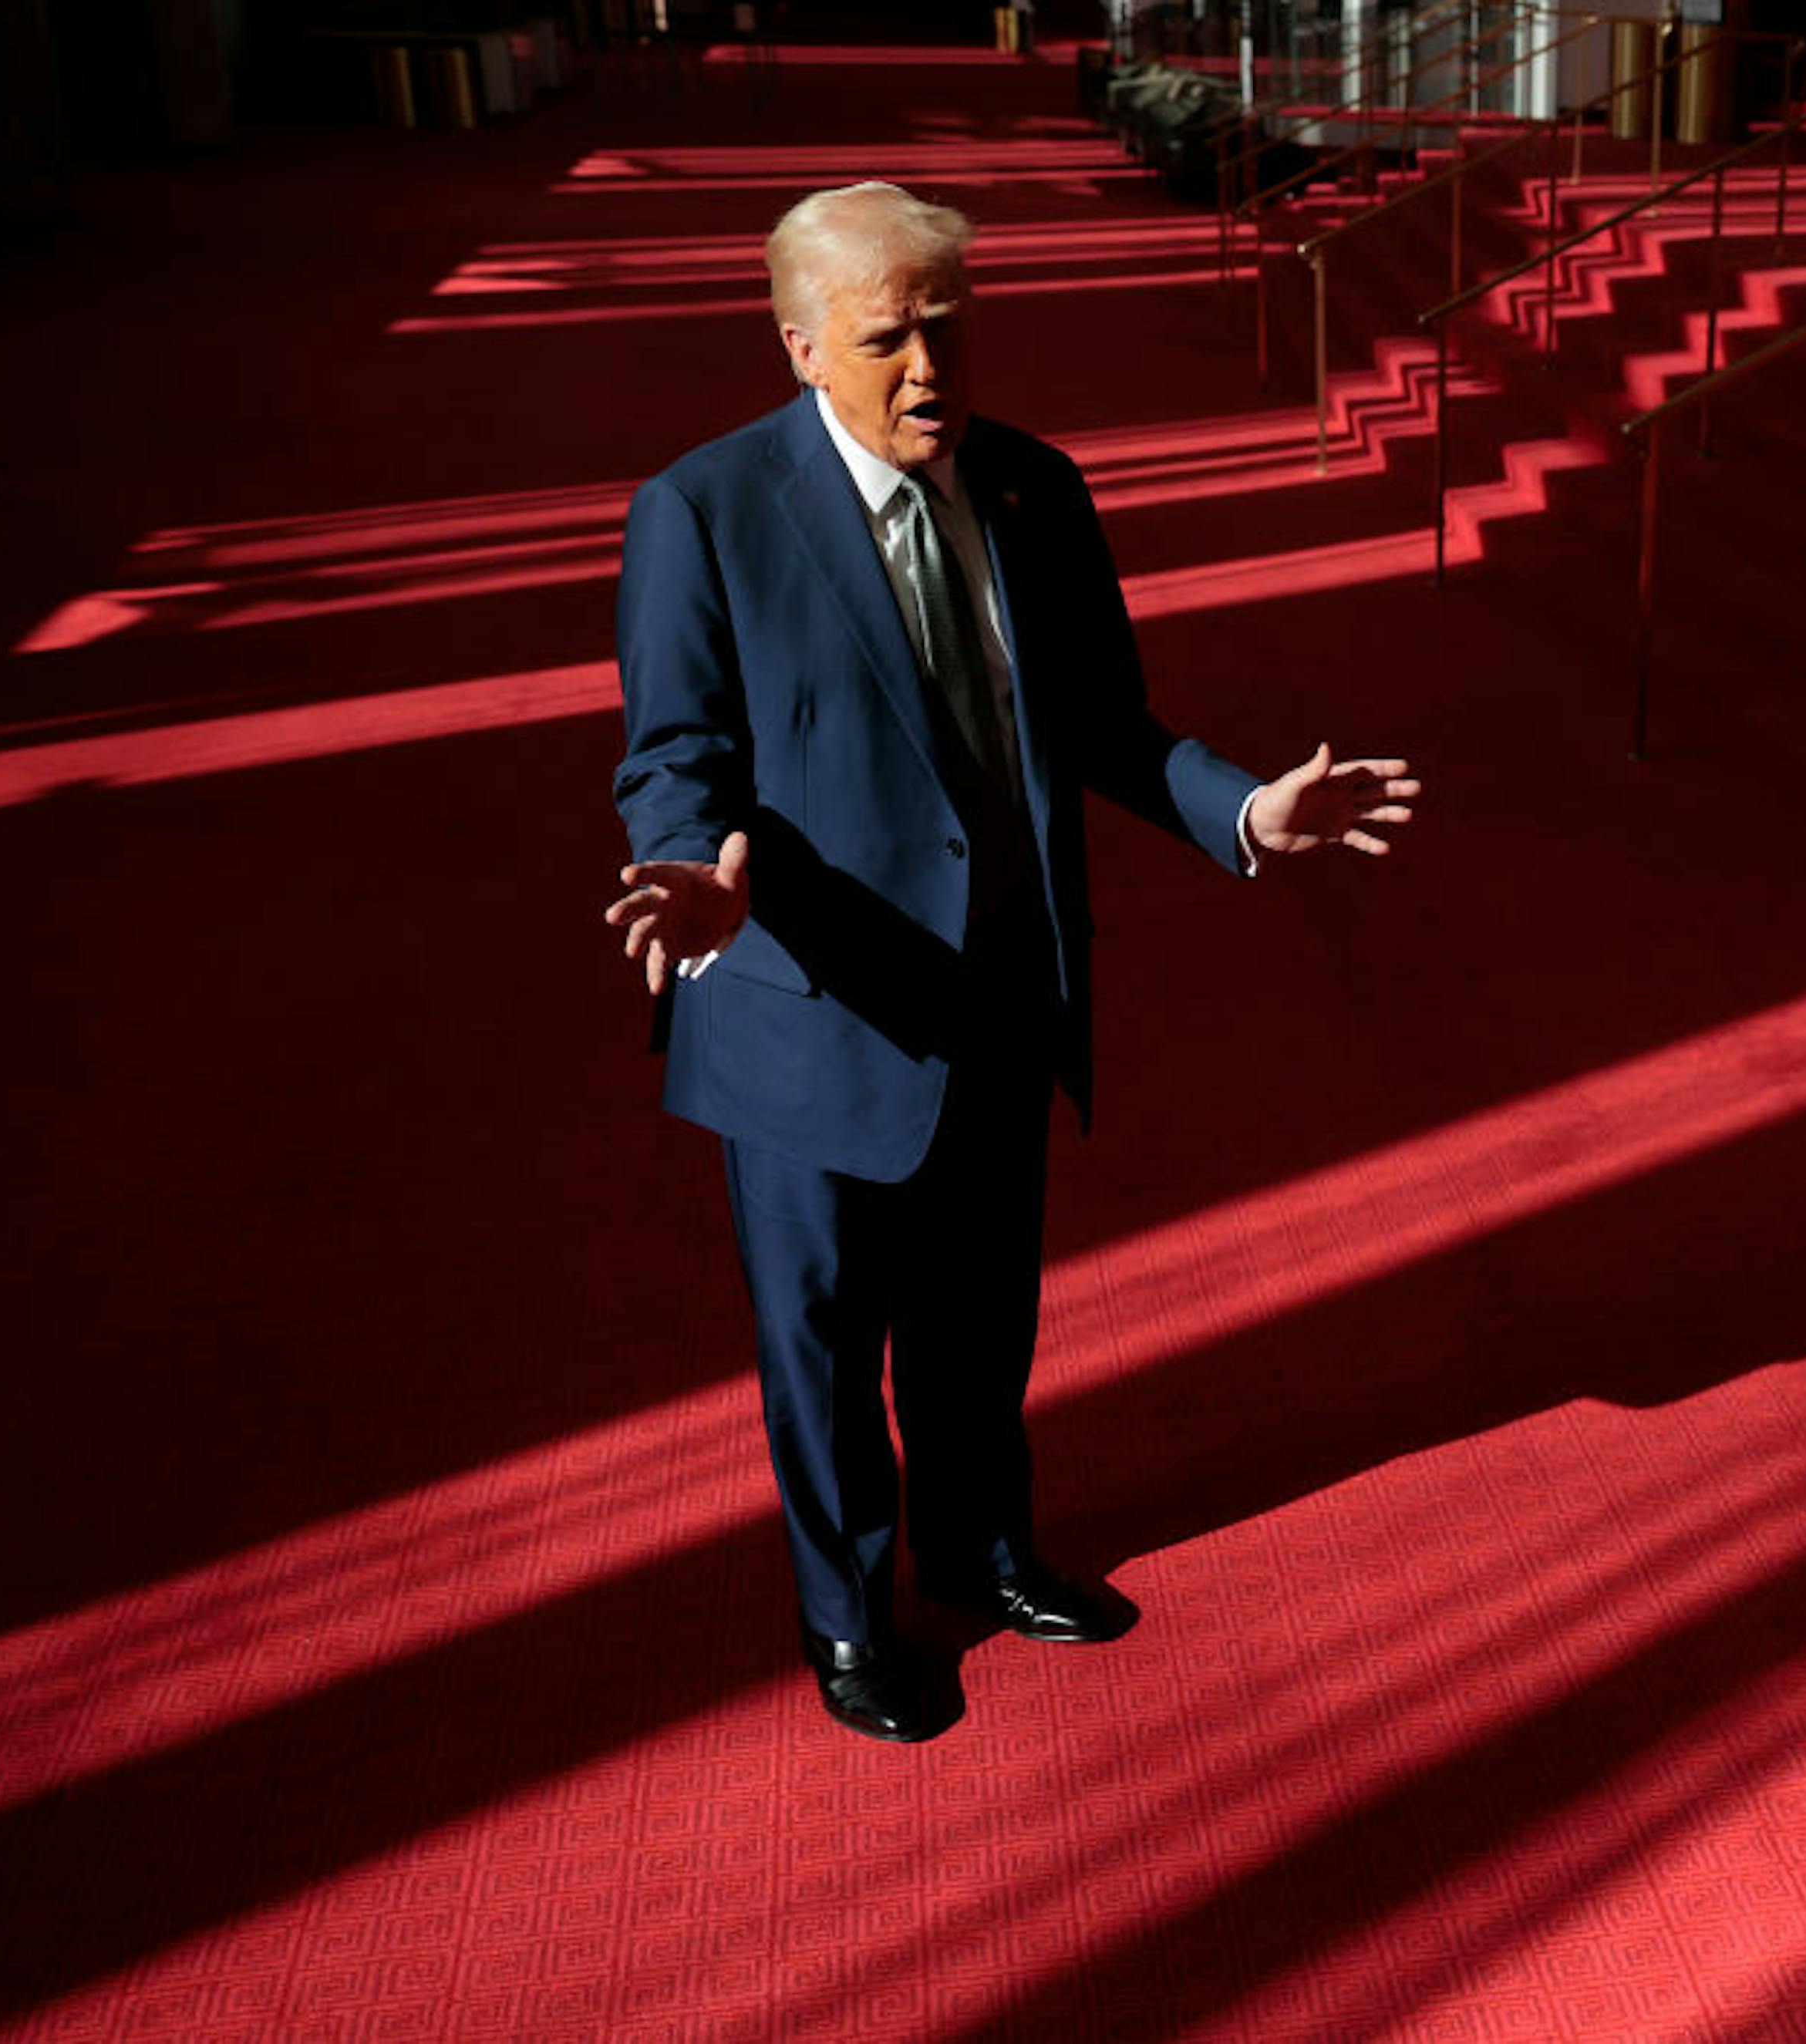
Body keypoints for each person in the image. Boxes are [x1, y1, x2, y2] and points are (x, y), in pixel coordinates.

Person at [605, 182, 1418, 1743]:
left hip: (1000, 986)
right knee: (827, 1350)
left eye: (951, 328)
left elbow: (1106, 723)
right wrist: (689, 877)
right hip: (810, 1004)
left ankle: (980, 1552)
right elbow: (677, 750)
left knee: (981, 1321)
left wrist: (1246, 808)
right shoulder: (701, 512)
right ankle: (848, 1623)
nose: (930, 369)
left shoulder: (1037, 488)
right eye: (888, 338)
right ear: (801, 349)